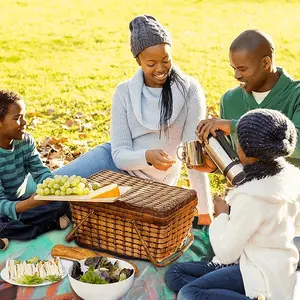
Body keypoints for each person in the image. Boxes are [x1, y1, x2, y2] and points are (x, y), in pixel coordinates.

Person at [53, 15, 213, 225]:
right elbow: (119, 155)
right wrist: (147, 156)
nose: (160, 69)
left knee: (79, 210)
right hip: (112, 163)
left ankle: (61, 216)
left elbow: (193, 156)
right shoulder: (125, 92)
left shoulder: (190, 90)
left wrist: (205, 211)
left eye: (166, 60)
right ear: (138, 60)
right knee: (49, 188)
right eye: (151, 63)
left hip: (149, 186)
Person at [165, 108, 300, 300]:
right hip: (273, 266)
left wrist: (222, 215)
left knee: (189, 293)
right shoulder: (291, 178)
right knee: (175, 274)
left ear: (245, 150)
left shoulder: (251, 197)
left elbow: (226, 252)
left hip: (259, 275)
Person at [195, 29, 300, 262]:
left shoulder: (296, 95)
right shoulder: (230, 100)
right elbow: (243, 161)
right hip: (248, 204)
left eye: (242, 69)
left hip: (289, 208)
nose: (236, 75)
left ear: (266, 62)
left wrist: (234, 126)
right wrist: (216, 166)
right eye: (233, 68)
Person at [0, 90, 70, 250]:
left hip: (19, 201)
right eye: (17, 118)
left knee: (63, 203)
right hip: (5, 207)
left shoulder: (25, 141)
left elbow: (40, 171)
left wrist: (54, 190)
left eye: (24, 116)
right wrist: (29, 205)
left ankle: (11, 232)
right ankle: (45, 225)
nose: (24, 122)